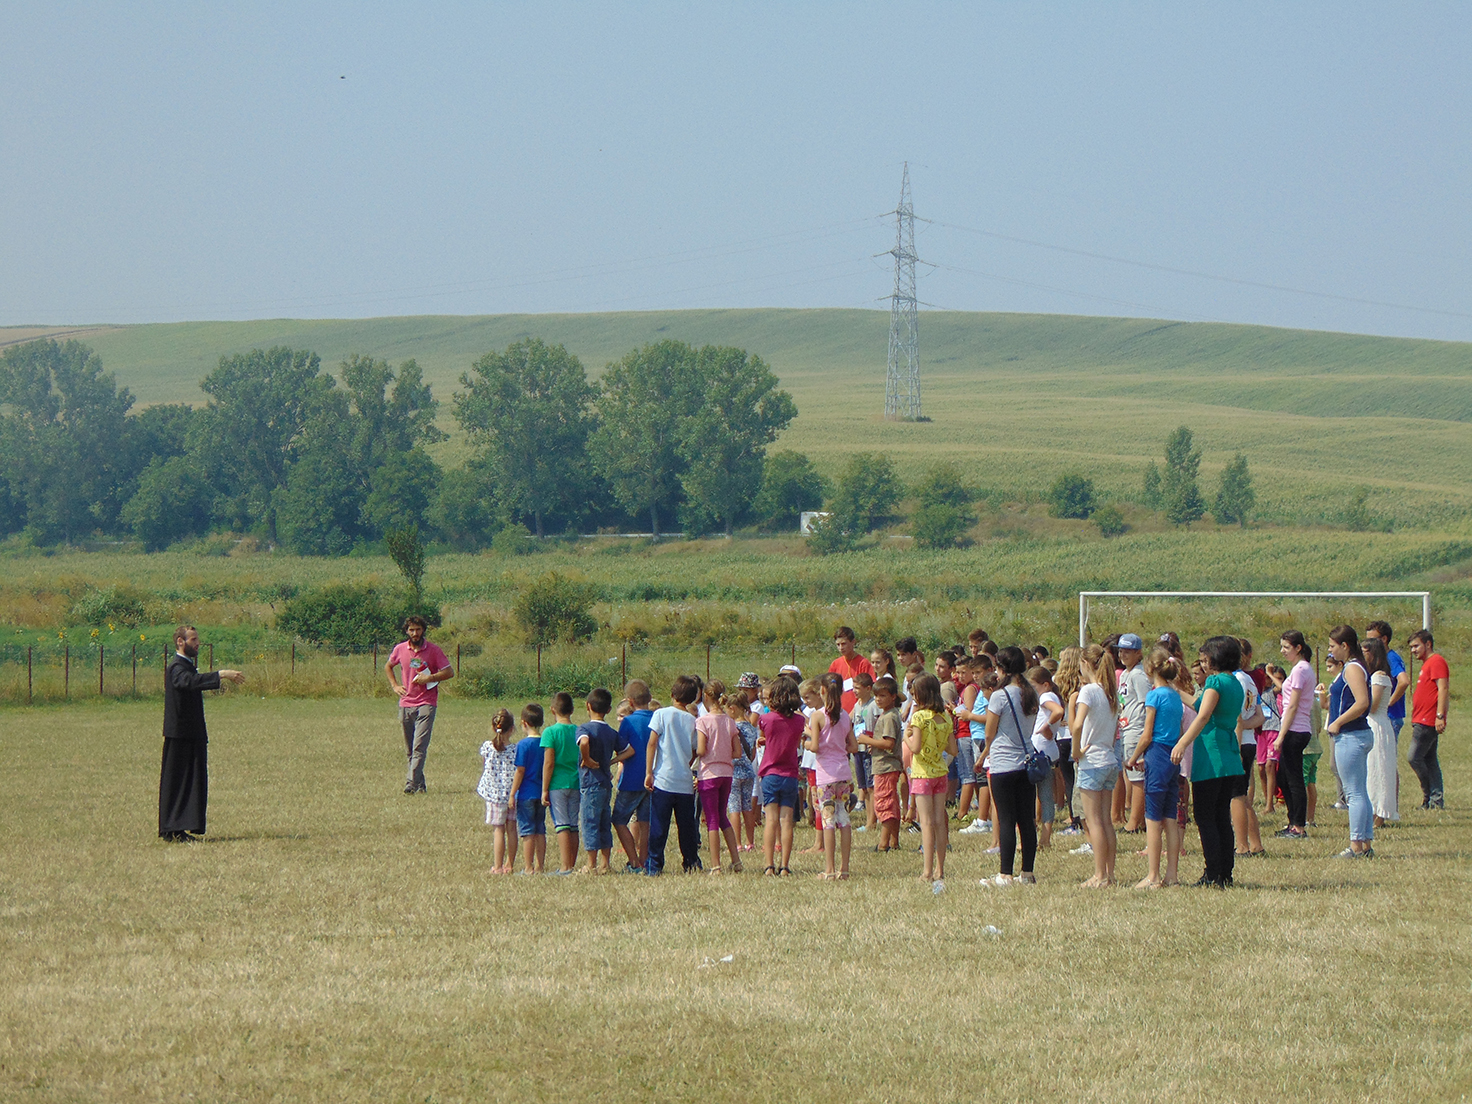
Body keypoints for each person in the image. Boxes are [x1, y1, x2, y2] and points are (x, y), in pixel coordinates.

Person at [158, 626, 245, 841]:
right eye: (193, 639)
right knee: (178, 782)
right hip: (180, 734)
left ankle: (178, 828)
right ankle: (173, 829)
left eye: (197, 639)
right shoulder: (177, 667)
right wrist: (220, 675)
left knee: (191, 781)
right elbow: (186, 682)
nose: (198, 643)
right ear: (180, 641)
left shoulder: (186, 665)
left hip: (190, 733)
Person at [1173, 636, 1246, 888]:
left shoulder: (1215, 681)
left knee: (1205, 815)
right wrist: (1176, 690)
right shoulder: (1234, 682)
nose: (1202, 664)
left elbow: (1203, 715)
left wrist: (1182, 743)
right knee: (1220, 815)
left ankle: (1212, 872)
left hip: (1211, 753)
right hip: (1228, 753)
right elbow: (1200, 703)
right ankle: (1225, 872)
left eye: (1205, 659)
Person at [978, 646, 1040, 887]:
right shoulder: (1030, 692)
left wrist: (983, 753)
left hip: (1003, 762)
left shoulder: (999, 696)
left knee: (1005, 818)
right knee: (1026, 819)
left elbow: (990, 731)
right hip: (1026, 761)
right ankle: (1027, 872)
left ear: (1001, 669)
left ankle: (1005, 873)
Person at [1125, 647, 1185, 888]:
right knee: (1170, 815)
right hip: (1171, 755)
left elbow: (1147, 734)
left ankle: (1153, 875)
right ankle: (1172, 874)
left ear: (1150, 670)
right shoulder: (1174, 695)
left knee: (1152, 817)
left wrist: (1133, 757)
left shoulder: (1154, 695)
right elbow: (1178, 729)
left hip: (1157, 752)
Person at [1319, 625, 1374, 857]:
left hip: (1351, 735)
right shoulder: (1353, 668)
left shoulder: (1352, 668)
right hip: (1356, 735)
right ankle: (1365, 845)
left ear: (1345, 646)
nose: (1331, 651)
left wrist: (1338, 722)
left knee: (1354, 793)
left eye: (1333, 646)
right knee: (1359, 790)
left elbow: (1362, 703)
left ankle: (1355, 846)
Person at [384, 615, 454, 794]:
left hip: (427, 703)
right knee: (410, 749)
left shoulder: (433, 650)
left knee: (419, 747)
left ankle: (410, 783)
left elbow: (449, 672)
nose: (415, 633)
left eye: (418, 629)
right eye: (411, 630)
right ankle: (420, 784)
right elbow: (388, 666)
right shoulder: (400, 649)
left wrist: (430, 678)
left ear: (423, 630)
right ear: (407, 631)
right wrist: (394, 685)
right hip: (406, 703)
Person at [1069, 644, 1119, 888]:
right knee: (1106, 820)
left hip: (1092, 762)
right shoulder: (1110, 692)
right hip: (1109, 759)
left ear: (1086, 664)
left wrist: (1076, 750)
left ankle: (1099, 875)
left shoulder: (1088, 691)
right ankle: (1108, 873)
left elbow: (1077, 726)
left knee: (1094, 821)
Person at [645, 675, 703, 875]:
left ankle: (654, 864)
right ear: (693, 698)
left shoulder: (661, 714)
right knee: (686, 827)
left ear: (672, 694)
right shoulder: (692, 720)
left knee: (659, 826)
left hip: (663, 778)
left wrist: (649, 772)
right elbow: (696, 749)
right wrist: (687, 763)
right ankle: (691, 862)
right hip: (684, 781)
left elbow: (652, 743)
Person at [904, 673, 956, 887]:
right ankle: (940, 869)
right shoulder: (945, 717)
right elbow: (953, 749)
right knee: (938, 822)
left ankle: (926, 871)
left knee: (925, 823)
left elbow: (915, 747)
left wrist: (907, 736)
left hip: (923, 773)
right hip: (940, 772)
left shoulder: (919, 717)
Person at [806, 672, 858, 879]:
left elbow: (816, 746)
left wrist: (806, 743)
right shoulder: (845, 715)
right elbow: (853, 745)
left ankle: (829, 869)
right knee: (843, 819)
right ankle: (844, 869)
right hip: (843, 772)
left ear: (822, 690)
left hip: (826, 774)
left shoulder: (817, 716)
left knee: (828, 820)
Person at [758, 675, 807, 876]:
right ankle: (785, 865)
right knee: (787, 821)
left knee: (771, 820)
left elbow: (768, 734)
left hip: (770, 773)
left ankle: (769, 865)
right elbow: (794, 743)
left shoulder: (766, 719)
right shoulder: (799, 721)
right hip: (790, 774)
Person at [694, 681, 742, 875]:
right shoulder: (729, 721)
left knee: (712, 820)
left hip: (709, 774)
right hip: (727, 773)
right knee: (723, 817)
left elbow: (701, 749)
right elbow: (737, 752)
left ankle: (716, 865)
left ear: (706, 696)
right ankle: (736, 860)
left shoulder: (703, 721)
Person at [1274, 630, 1315, 839]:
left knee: (1294, 779)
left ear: (1298, 648)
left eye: (1286, 647)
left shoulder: (1300, 670)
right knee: (1283, 777)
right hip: (1294, 728)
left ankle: (1298, 825)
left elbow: (1292, 706)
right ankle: (1293, 821)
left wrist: (1281, 736)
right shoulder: (1301, 669)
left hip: (1295, 729)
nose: (1283, 651)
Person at [576, 688, 622, 875]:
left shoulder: (584, 728)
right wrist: (611, 761)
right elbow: (628, 750)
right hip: (605, 783)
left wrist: (586, 759)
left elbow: (584, 742)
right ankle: (605, 863)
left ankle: (591, 864)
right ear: (609, 710)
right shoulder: (611, 732)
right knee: (604, 822)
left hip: (590, 782)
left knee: (590, 822)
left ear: (588, 706)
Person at [612, 680, 655, 873]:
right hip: (652, 778)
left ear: (630, 702)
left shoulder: (628, 722)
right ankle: (645, 860)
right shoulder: (656, 717)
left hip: (631, 779)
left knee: (619, 819)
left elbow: (622, 747)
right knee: (645, 821)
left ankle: (634, 861)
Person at [540, 692, 582, 875]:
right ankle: (571, 864)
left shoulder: (550, 732)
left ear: (552, 710)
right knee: (574, 825)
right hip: (576, 782)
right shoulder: (579, 730)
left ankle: (565, 867)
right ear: (572, 710)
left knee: (562, 825)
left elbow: (549, 763)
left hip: (557, 784)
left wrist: (544, 789)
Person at [1407, 629, 1448, 810]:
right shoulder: (1426, 664)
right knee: (1430, 760)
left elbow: (1443, 689)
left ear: (1428, 644)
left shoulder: (1436, 661)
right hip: (1421, 719)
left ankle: (1429, 796)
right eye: (1411, 647)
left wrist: (1439, 716)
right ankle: (1436, 800)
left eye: (1416, 646)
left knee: (1414, 757)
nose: (1413, 650)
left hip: (1428, 720)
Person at [864, 676, 906, 852]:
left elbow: (888, 743)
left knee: (883, 804)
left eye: (883, 696)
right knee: (892, 802)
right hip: (888, 765)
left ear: (893, 696)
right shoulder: (889, 714)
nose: (878, 699)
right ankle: (893, 841)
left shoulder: (889, 716)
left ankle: (883, 843)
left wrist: (868, 740)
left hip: (885, 765)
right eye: (876, 696)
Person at [1231, 640, 1265, 857]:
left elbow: (1236, 718)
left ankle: (1242, 845)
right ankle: (1255, 843)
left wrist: (1236, 741)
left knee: (1236, 797)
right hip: (1249, 740)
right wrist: (1245, 726)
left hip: (1239, 743)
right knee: (1242, 795)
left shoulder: (1235, 681)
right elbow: (1259, 715)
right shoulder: (1249, 680)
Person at [1362, 637, 1399, 828]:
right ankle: (1374, 811)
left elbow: (1373, 705)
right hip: (1376, 723)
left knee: (1378, 767)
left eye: (1365, 652)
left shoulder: (1379, 676)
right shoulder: (1374, 675)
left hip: (1377, 724)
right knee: (1372, 768)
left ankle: (1379, 813)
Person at [477, 709, 519, 874]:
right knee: (512, 829)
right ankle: (510, 864)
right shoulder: (516, 749)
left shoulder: (488, 747)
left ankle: (497, 866)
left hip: (494, 796)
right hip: (512, 794)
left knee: (498, 830)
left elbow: (484, 765)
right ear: (512, 729)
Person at [1116, 633, 1150, 834]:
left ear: (1138, 653)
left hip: (1136, 727)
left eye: (1128, 651)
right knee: (1131, 774)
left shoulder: (1138, 674)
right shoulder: (1127, 674)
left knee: (1137, 777)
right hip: (1126, 726)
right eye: (1121, 650)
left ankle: (1134, 822)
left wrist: (1146, 729)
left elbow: (1147, 703)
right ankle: (1141, 820)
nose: (1123, 654)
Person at [511, 705, 547, 875]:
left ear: (523, 723)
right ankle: (540, 866)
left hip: (525, 793)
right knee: (540, 830)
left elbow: (520, 770)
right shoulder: (545, 743)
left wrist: (512, 793)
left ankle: (528, 867)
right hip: (542, 792)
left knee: (527, 832)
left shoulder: (522, 745)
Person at [728, 680, 761, 853]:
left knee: (734, 807)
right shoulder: (751, 727)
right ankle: (750, 842)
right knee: (748, 807)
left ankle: (737, 843)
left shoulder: (731, 727)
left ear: (733, 708)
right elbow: (753, 753)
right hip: (749, 771)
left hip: (734, 772)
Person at [850, 671, 878, 832]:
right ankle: (868, 820)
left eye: (858, 688)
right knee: (864, 787)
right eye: (853, 687)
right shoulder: (857, 705)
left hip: (869, 749)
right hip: (858, 749)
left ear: (868, 688)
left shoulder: (874, 706)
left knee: (871, 786)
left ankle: (872, 821)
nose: (855, 691)